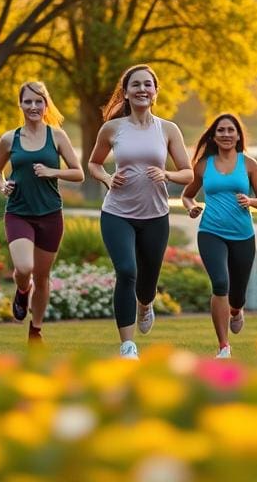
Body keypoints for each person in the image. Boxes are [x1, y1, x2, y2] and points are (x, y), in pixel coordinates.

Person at [87, 64, 192, 359]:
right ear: (126, 92)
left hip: (156, 216)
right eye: (136, 85)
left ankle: (146, 304)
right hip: (117, 212)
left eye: (148, 85)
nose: (142, 89)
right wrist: (107, 178)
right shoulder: (112, 129)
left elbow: (188, 173)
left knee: (146, 283)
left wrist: (167, 175)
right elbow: (93, 164)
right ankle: (128, 345)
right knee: (126, 271)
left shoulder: (168, 129)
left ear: (155, 92)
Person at [0, 81, 84, 345]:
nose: (33, 106)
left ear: (45, 105)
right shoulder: (10, 138)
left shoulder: (57, 136)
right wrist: (1, 184)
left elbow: (78, 173)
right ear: (20, 104)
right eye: (27, 101)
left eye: (38, 101)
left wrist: (53, 171)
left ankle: (36, 330)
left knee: (42, 276)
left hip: (50, 215)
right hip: (19, 212)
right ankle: (22, 290)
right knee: (24, 267)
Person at [181, 113, 257, 358]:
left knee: (237, 293)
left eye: (231, 130)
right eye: (221, 130)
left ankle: (236, 310)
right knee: (221, 283)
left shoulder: (249, 164)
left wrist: (251, 200)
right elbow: (187, 194)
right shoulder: (203, 165)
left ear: (239, 135)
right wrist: (192, 207)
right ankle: (224, 346)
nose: (226, 135)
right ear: (213, 135)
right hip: (210, 232)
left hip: (243, 235)